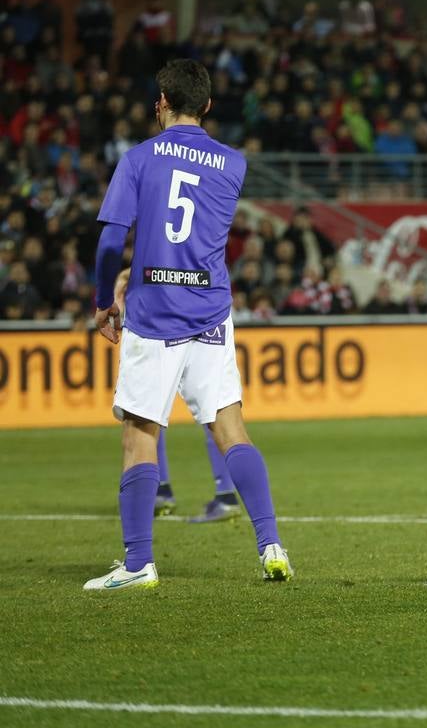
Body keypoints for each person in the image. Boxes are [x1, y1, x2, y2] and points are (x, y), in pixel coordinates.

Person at [85, 59, 292, 590]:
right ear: (206, 107)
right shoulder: (233, 164)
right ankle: (271, 545)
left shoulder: (138, 159)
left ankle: (137, 565)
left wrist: (102, 298)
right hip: (211, 310)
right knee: (231, 429)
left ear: (160, 101)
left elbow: (111, 240)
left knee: (139, 434)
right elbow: (194, 232)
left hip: (154, 309)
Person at [112, 267, 242, 523]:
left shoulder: (157, 235)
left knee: (146, 412)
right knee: (216, 411)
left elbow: (159, 262)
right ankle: (224, 496)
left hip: (163, 320)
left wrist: (128, 277)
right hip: (207, 313)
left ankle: (161, 494)